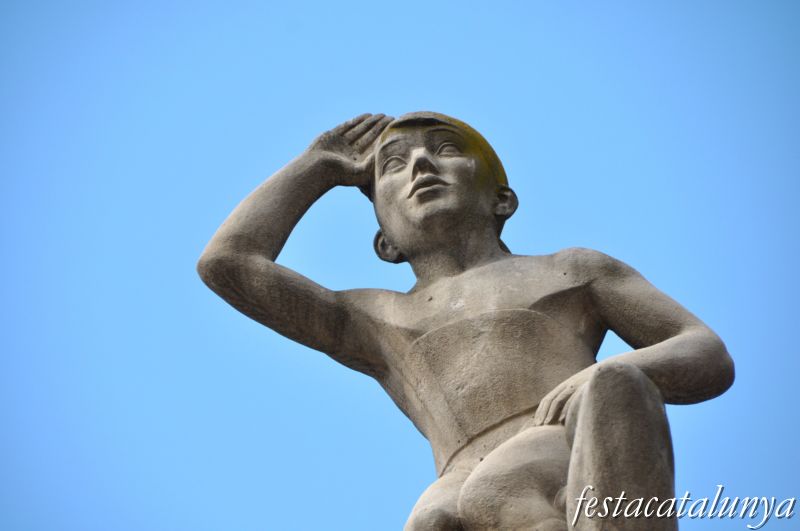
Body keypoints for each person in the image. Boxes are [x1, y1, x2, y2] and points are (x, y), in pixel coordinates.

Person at [198, 112, 734, 530]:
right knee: (436, 516)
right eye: (393, 165)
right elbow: (229, 263)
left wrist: (597, 381)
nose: (422, 167)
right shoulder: (376, 317)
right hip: (452, 483)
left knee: (586, 412)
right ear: (384, 242)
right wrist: (317, 166)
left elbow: (704, 351)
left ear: (502, 199)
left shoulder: (572, 270)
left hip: (563, 445)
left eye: (446, 150)